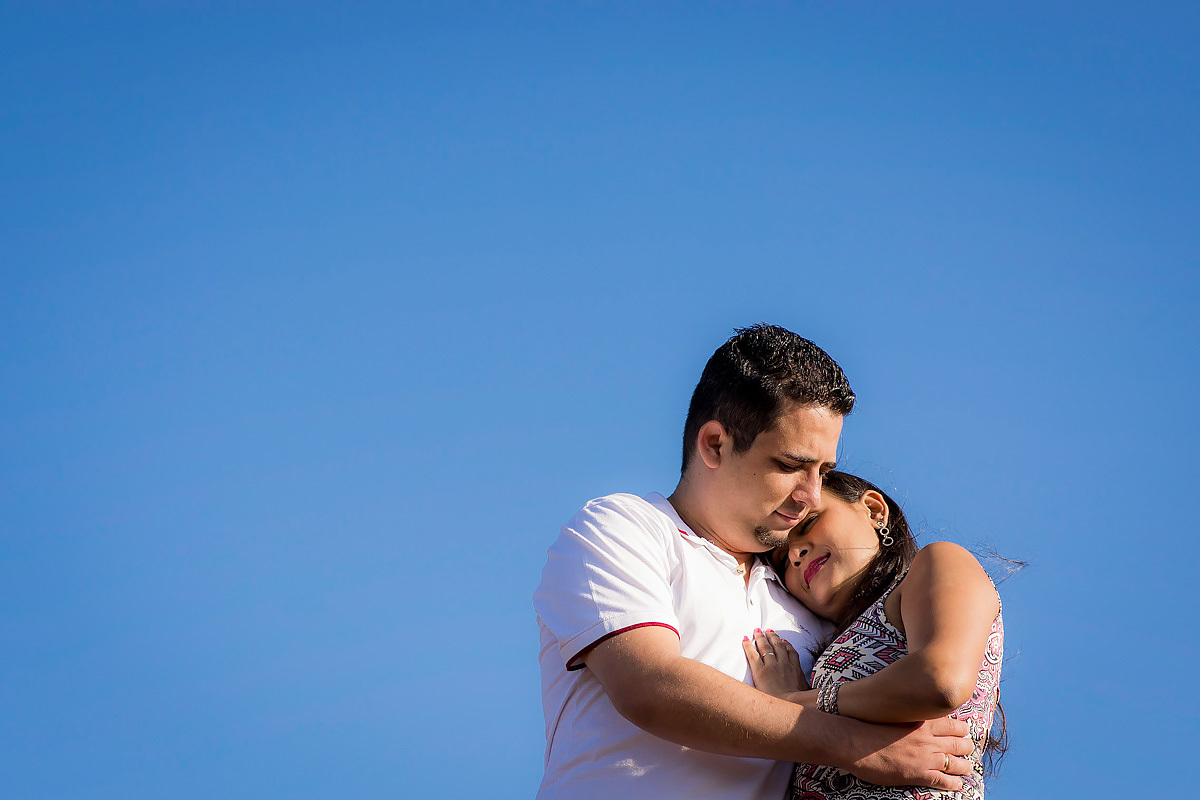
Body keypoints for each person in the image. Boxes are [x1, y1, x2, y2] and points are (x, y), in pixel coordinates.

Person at [533, 325, 973, 800]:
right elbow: (650, 686)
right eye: (789, 465)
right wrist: (855, 745)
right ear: (715, 444)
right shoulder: (623, 527)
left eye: (823, 471)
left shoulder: (808, 599)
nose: (809, 495)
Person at [743, 471, 1004, 800]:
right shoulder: (823, 649)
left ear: (873, 510)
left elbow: (940, 681)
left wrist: (792, 704)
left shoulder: (938, 561)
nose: (795, 554)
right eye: (783, 562)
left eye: (808, 524)